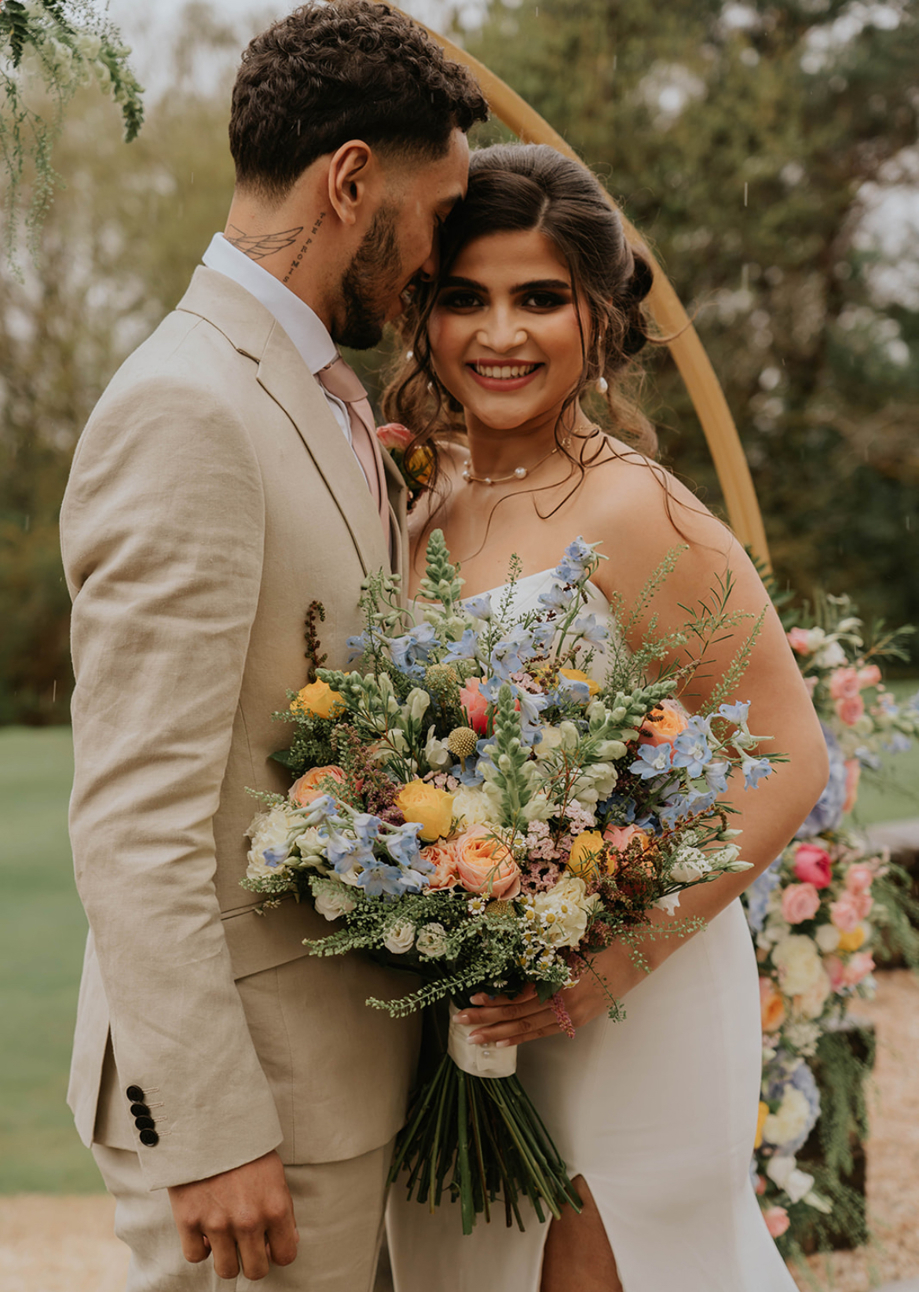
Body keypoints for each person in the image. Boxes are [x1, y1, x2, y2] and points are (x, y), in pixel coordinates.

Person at [60, 4, 486, 1289]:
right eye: (434, 215)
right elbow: (134, 816)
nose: (434, 257)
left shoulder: (303, 390)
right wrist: (209, 1129)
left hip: (341, 1090)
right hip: (257, 1119)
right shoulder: (187, 408)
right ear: (351, 180)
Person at [382, 143, 829, 1291]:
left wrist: (603, 964)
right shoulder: (420, 501)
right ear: (424, 314)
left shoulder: (637, 510)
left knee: (600, 1261)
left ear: (599, 318)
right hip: (471, 996)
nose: (500, 334)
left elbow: (785, 755)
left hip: (629, 1002)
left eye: (539, 299)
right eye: (465, 298)